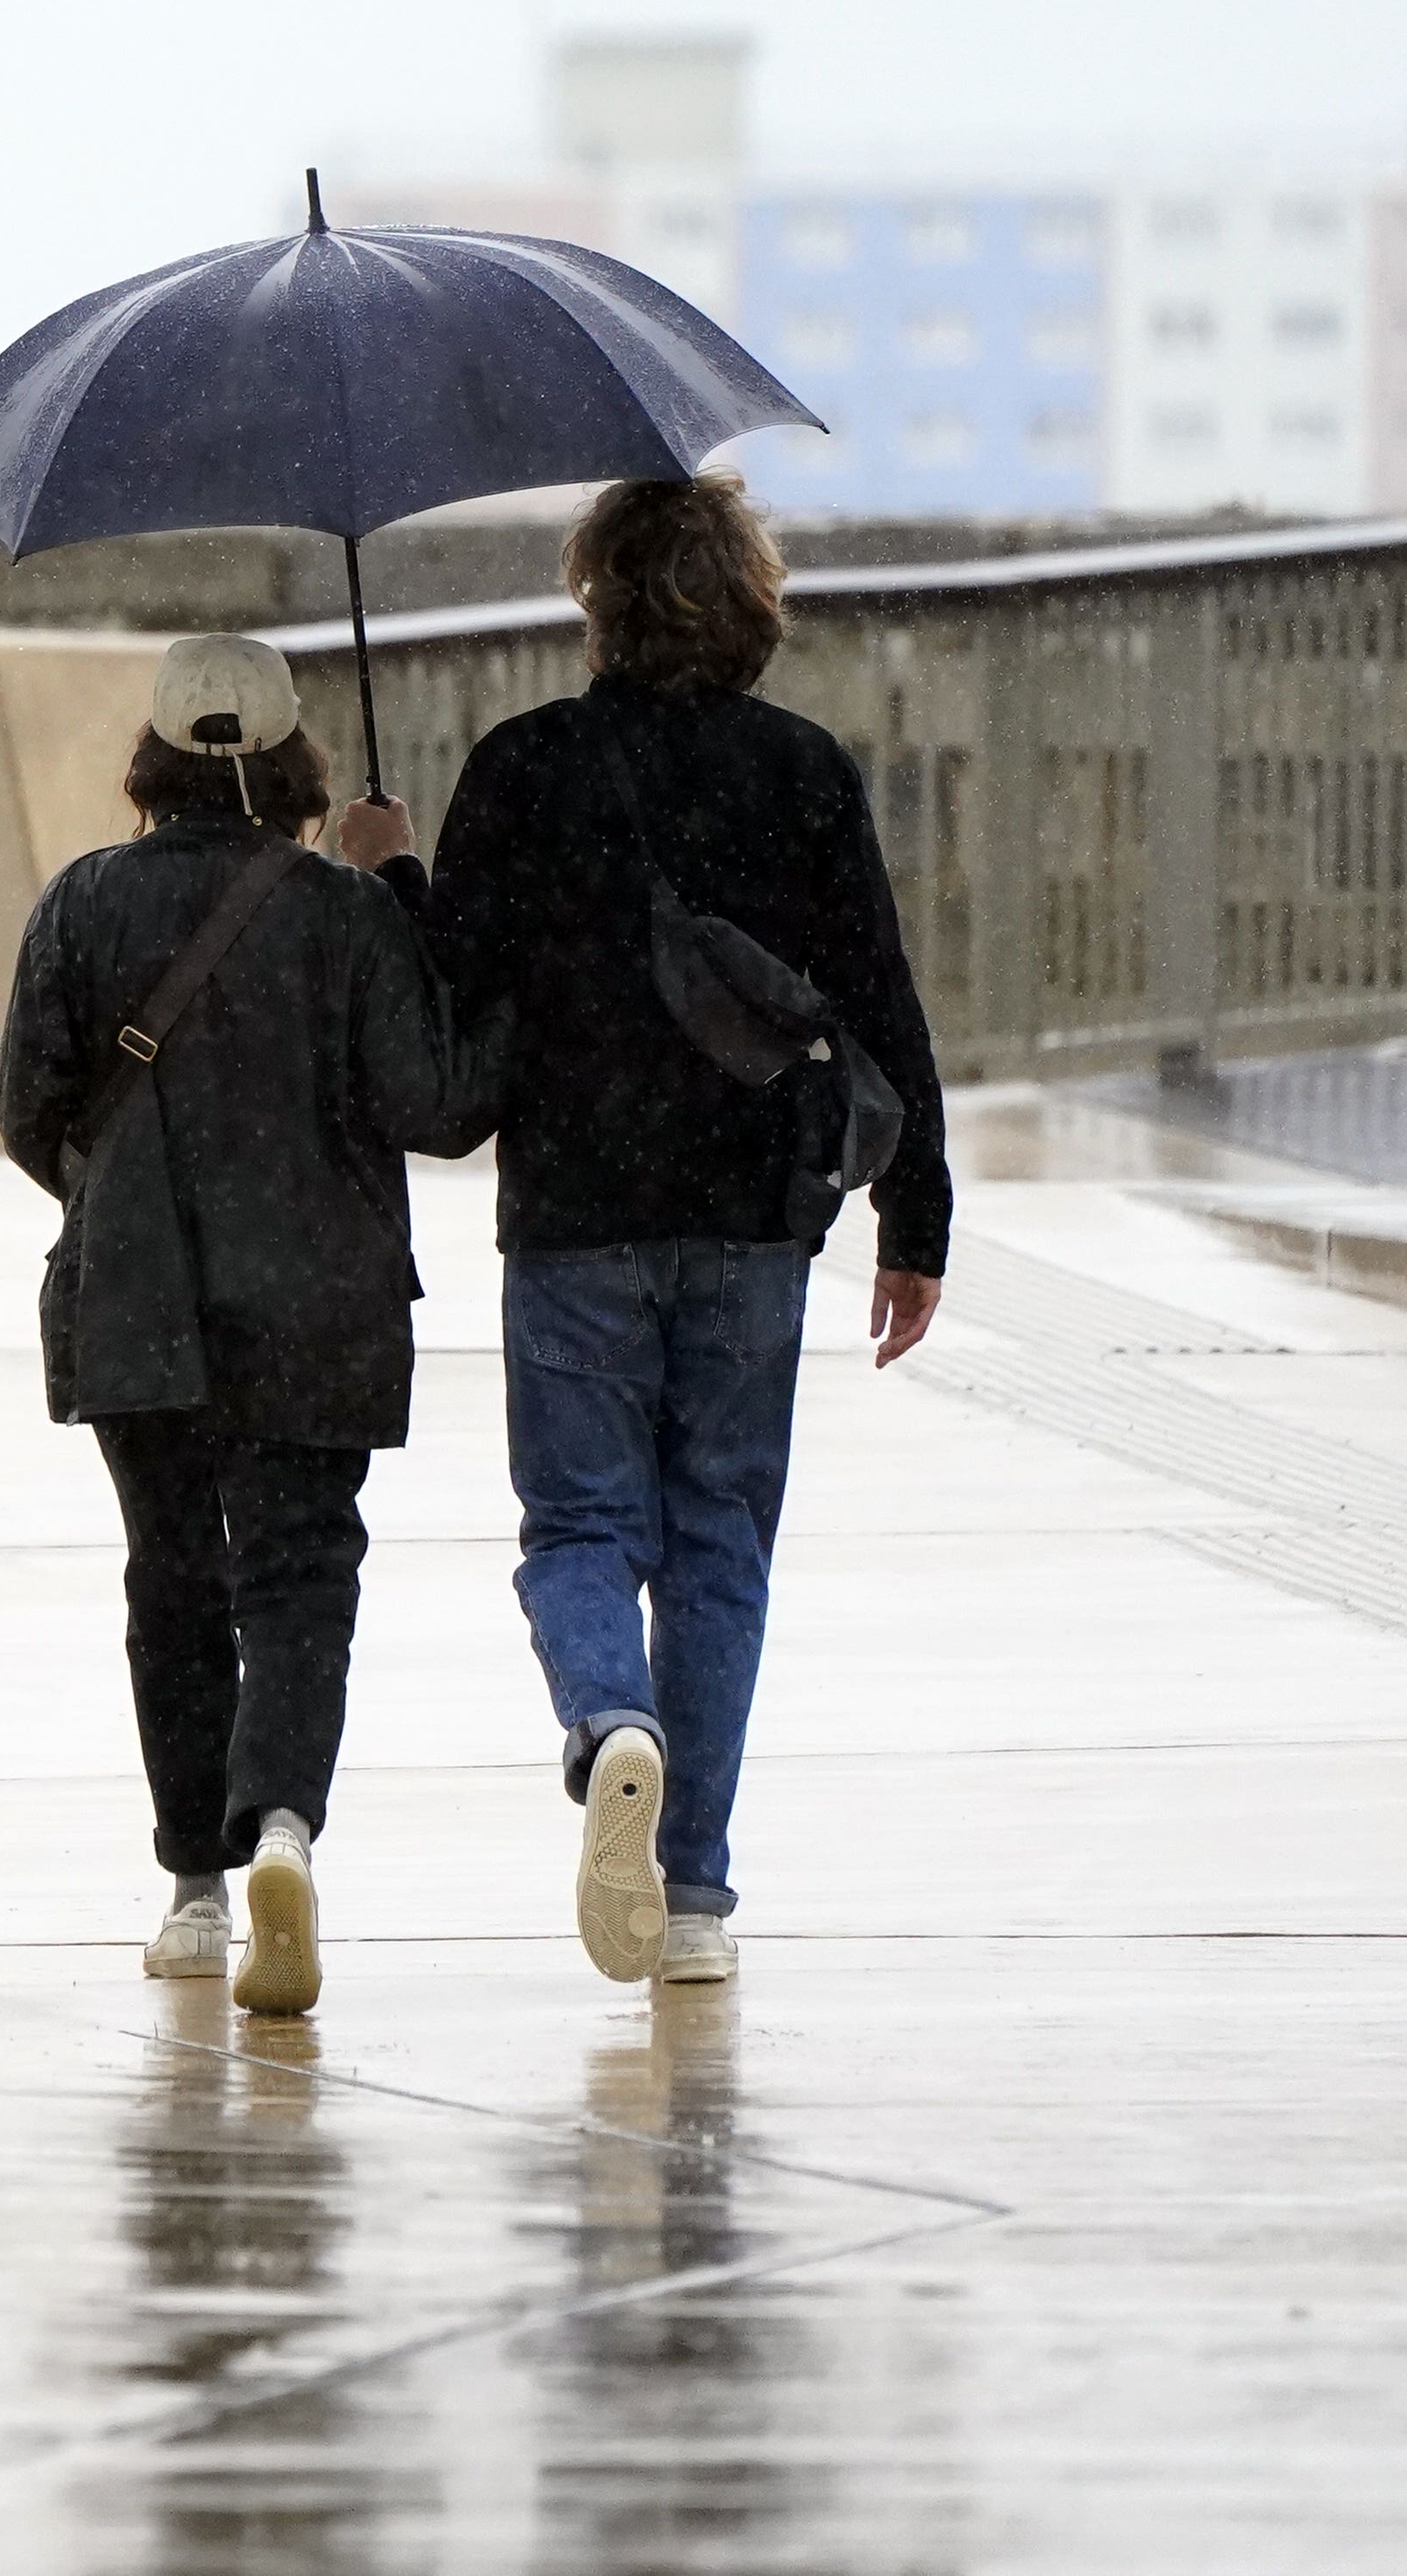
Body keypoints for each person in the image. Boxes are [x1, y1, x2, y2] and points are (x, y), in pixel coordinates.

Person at [409, 473, 950, 1995]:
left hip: (577, 1209)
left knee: (583, 1528)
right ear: (754, 602)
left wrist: (394, 865)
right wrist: (921, 1216)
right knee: (720, 1540)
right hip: (751, 1216)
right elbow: (879, 1001)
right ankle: (696, 1894)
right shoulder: (803, 771)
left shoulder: (526, 767)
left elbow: (448, 991)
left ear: (598, 599)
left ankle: (608, 1720)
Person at [0, 635, 479, 2016]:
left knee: (171, 1581)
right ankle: (282, 1828)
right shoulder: (345, 915)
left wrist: (130, 1199)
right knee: (296, 1576)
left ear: (150, 761)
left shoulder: (79, 905)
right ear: (290, 764)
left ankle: (196, 1897)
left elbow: (31, 1112)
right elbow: (435, 1104)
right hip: (316, 1299)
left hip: (137, 1296)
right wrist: (397, 884)